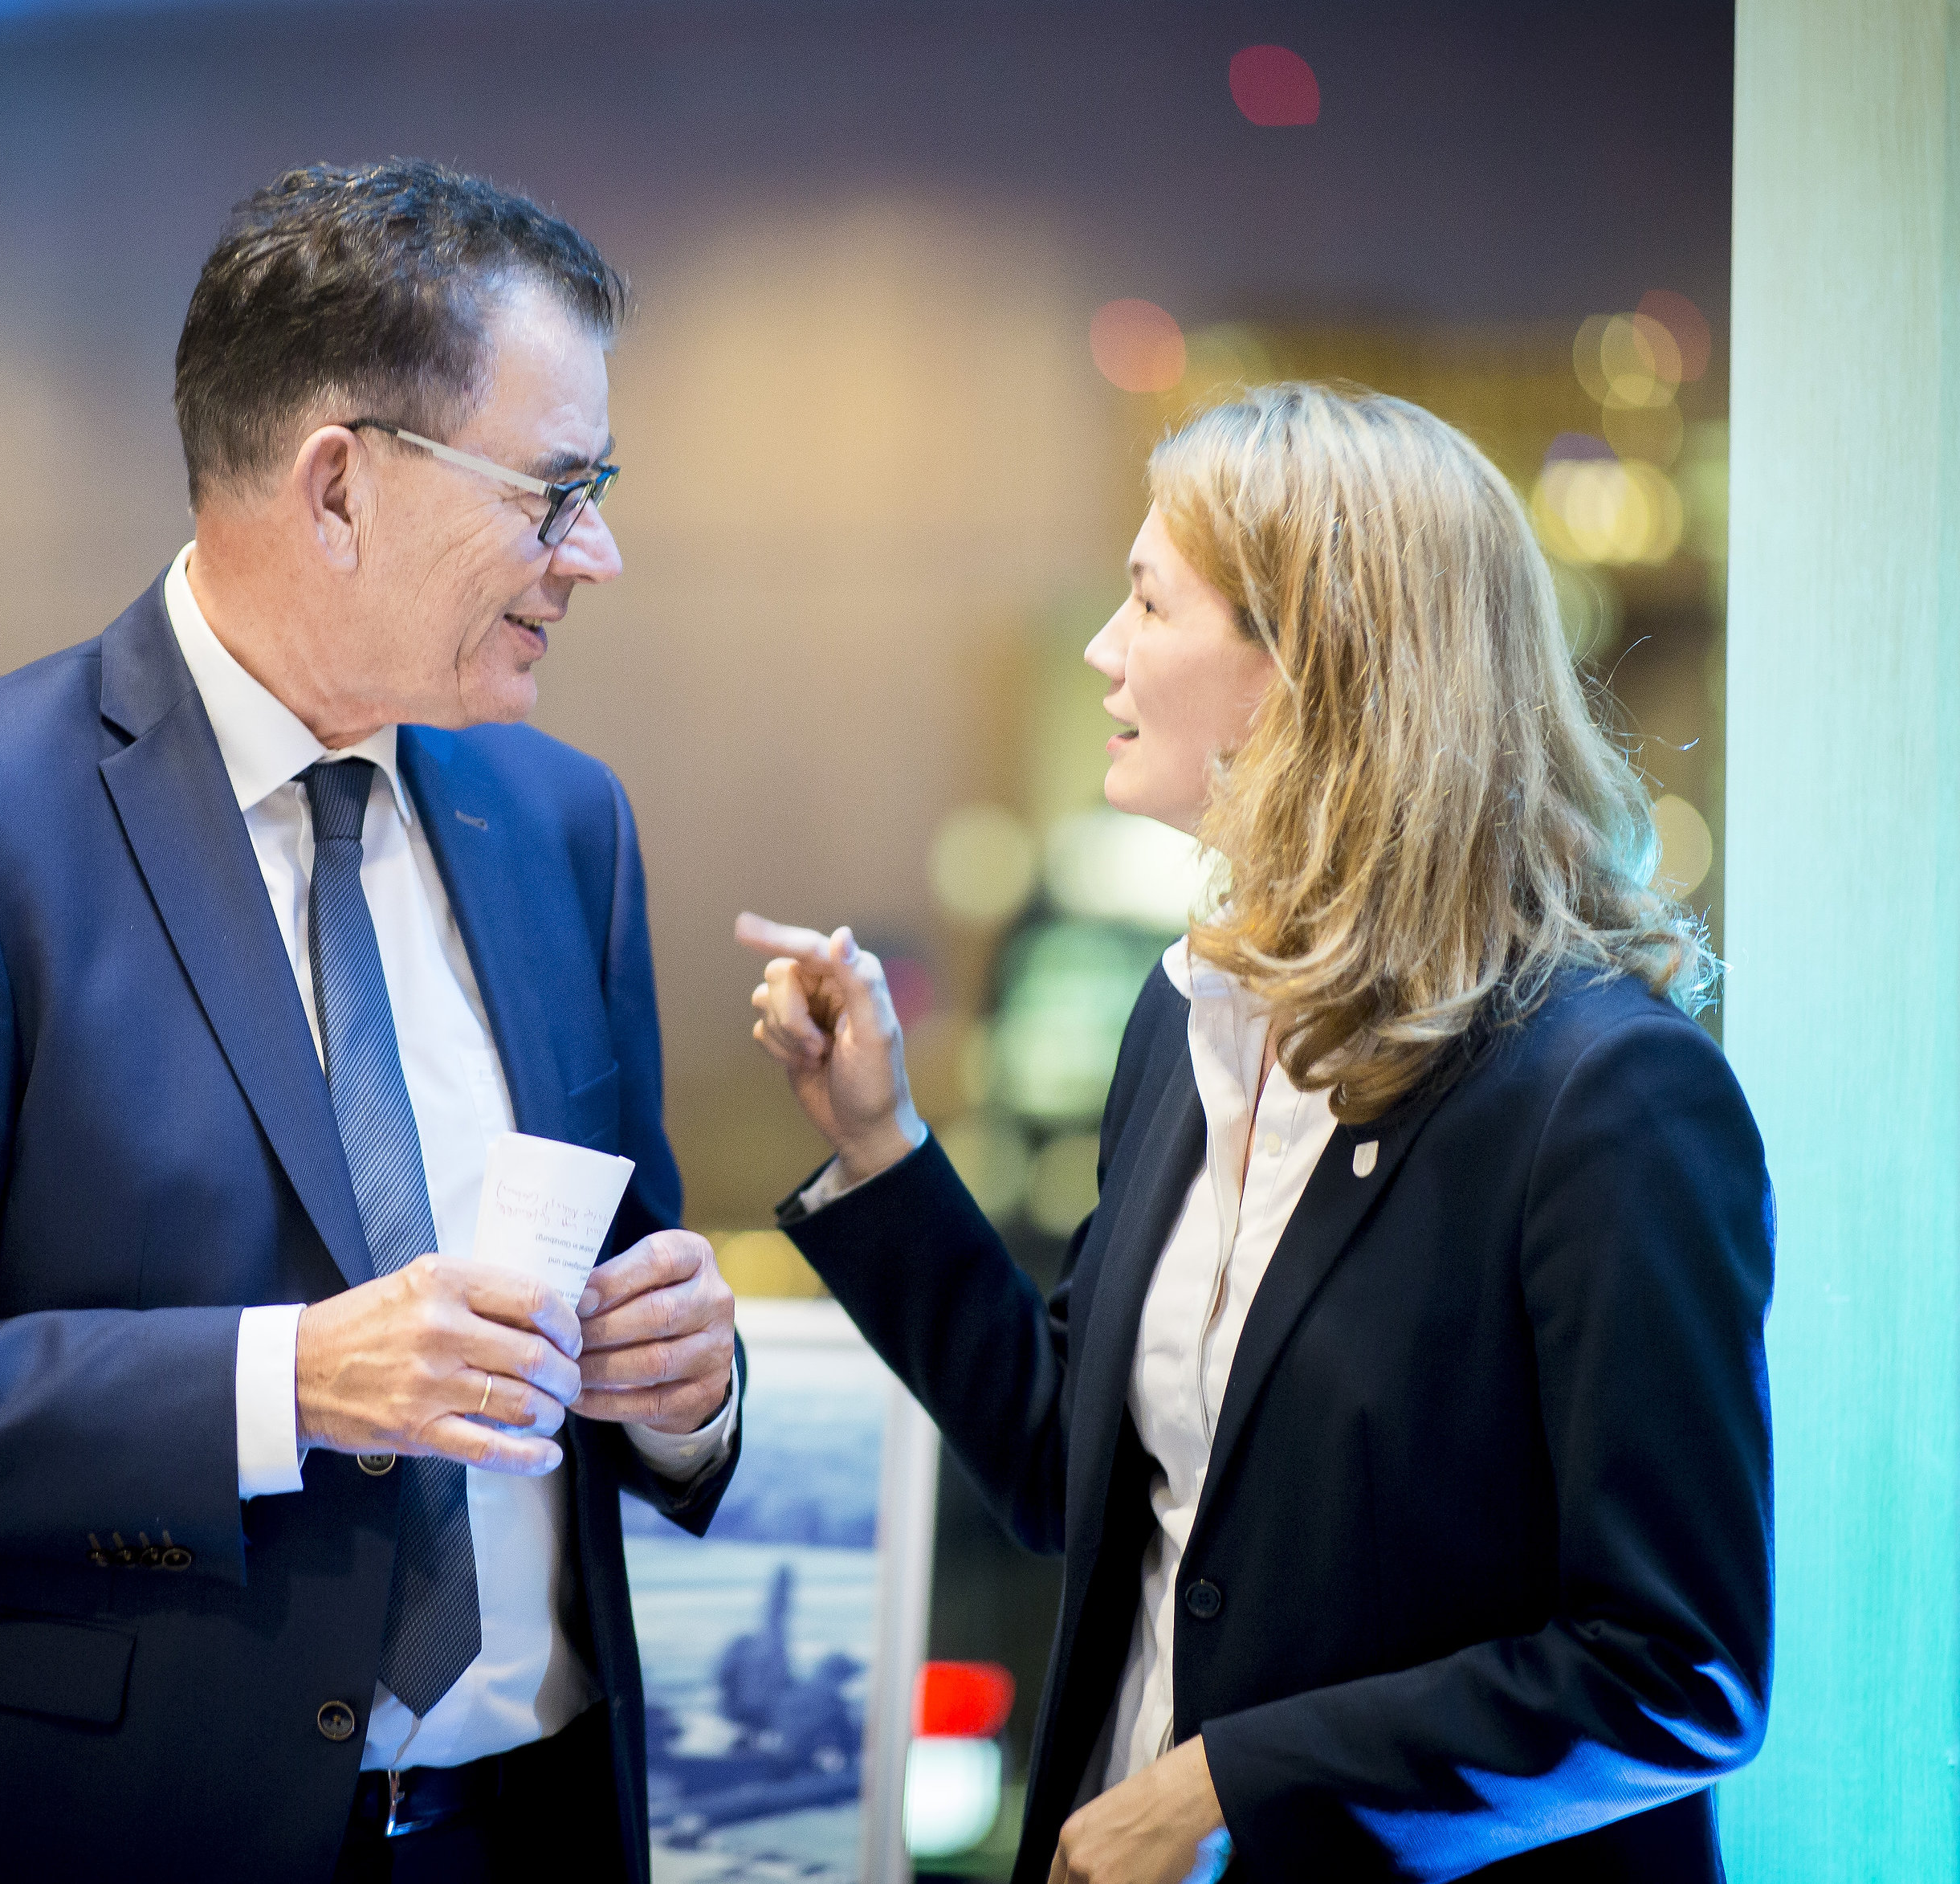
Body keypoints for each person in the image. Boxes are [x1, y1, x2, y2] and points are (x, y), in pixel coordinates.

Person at [0, 161, 741, 1884]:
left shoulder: (565, 825)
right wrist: (288, 1380)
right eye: (559, 491)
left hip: (528, 1827)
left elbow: (619, 1303)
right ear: (341, 487)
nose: (600, 555)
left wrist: (683, 1384)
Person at [738, 385, 1771, 1883]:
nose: (1101, 648)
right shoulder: (1189, 1024)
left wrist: (1228, 1784)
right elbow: (1072, 1472)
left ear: (1307, 663)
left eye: (1148, 599)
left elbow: (1676, 1671)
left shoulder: (1608, 1095)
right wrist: (881, 1143)